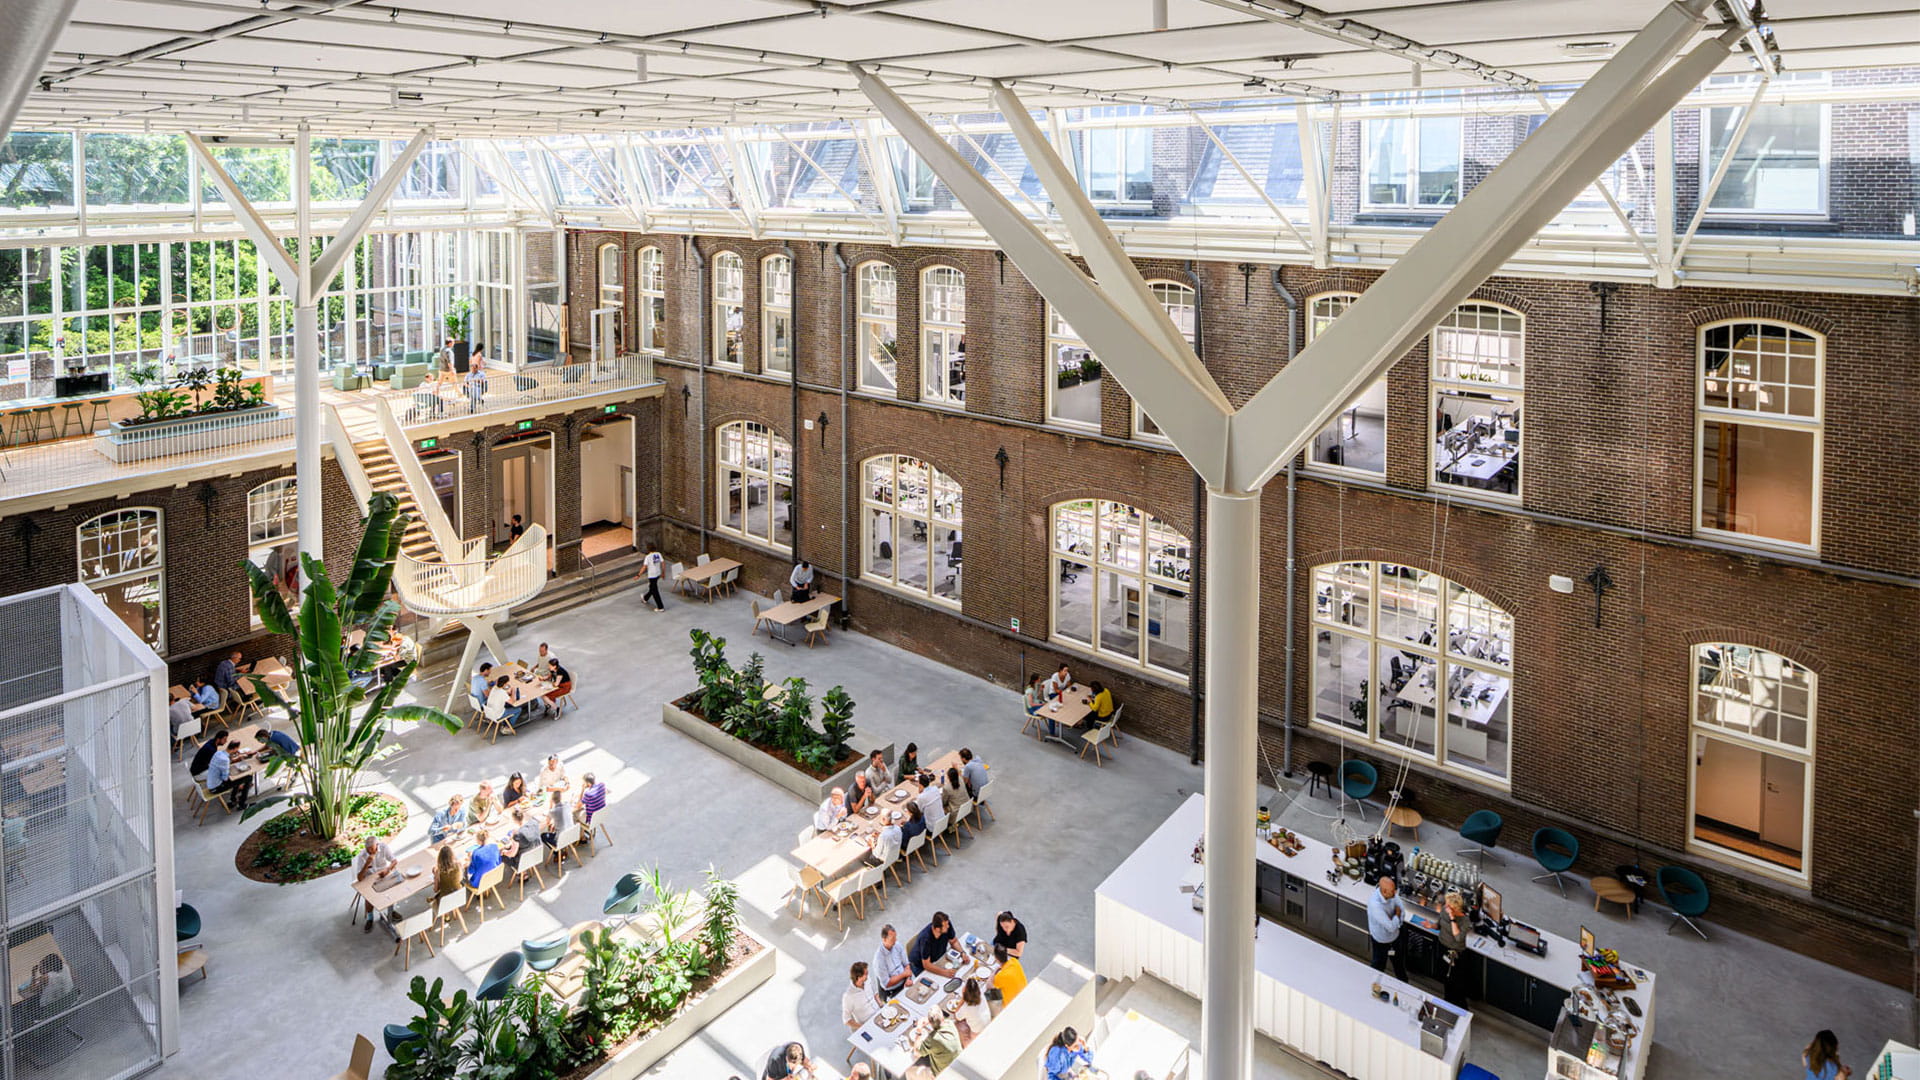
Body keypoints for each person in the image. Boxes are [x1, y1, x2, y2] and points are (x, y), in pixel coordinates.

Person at [1368, 875, 1408, 982]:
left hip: (1395, 938)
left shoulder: (1392, 894)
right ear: (1384, 892)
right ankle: (1374, 985)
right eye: (1392, 891)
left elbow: (1402, 910)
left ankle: (1404, 985)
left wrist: (1396, 920)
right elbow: (1391, 927)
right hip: (1381, 941)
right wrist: (1396, 915)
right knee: (1378, 966)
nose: (1395, 893)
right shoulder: (1375, 905)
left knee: (1399, 966)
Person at [352, 836, 396, 931]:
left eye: (372, 849)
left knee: (393, 886)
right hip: (369, 879)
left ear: (377, 845)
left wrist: (387, 870)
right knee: (369, 895)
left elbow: (394, 861)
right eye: (368, 850)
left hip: (384, 874)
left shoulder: (384, 847)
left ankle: (391, 911)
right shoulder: (362, 856)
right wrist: (366, 864)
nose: (370, 852)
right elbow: (359, 878)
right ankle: (370, 918)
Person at [1437, 890, 1473, 1006]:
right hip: (1443, 948)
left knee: (1458, 983)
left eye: (1448, 906)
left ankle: (1461, 1007)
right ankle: (1447, 1002)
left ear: (1455, 909)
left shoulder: (1465, 921)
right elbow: (1439, 924)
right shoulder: (1445, 910)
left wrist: (1452, 918)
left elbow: (1458, 937)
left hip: (1457, 955)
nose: (1445, 907)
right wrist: (1431, 925)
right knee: (1446, 979)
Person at [205, 731, 254, 810]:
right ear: (235, 749)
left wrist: (234, 758)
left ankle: (233, 800)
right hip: (216, 788)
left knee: (238, 779)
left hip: (210, 783)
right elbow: (225, 778)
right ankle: (242, 804)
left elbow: (224, 763)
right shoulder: (225, 760)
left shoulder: (218, 753)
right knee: (248, 777)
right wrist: (234, 771)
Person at [908, 911, 958, 977]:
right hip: (920, 965)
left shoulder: (946, 925)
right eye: (946, 926)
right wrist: (944, 972)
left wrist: (962, 953)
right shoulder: (925, 939)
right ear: (937, 929)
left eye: (948, 924)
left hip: (936, 957)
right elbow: (926, 965)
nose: (948, 926)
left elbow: (953, 941)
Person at [871, 924, 910, 1001]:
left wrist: (908, 978)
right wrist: (904, 974)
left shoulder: (897, 945)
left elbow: (906, 964)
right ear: (884, 939)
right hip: (893, 990)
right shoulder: (879, 960)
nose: (895, 941)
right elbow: (887, 983)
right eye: (892, 939)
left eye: (895, 937)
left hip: (906, 981)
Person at [841, 961, 880, 1032]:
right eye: (866, 974)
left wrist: (881, 1005)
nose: (868, 975)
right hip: (868, 1024)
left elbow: (875, 993)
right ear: (858, 977)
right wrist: (862, 1027)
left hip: (880, 1014)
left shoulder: (868, 979)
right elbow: (846, 1020)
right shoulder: (848, 996)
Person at [953, 977, 991, 1045]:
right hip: (988, 1024)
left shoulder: (966, 1008)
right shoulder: (981, 995)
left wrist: (962, 999)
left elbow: (956, 1016)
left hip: (977, 1032)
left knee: (957, 1026)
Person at [990, 943, 1025, 1008]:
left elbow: (989, 986)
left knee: (988, 994)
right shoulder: (1014, 961)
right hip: (1024, 993)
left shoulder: (1000, 976)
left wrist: (993, 972)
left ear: (996, 959)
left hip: (1011, 1004)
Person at [540, 790, 571, 854]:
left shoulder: (553, 811)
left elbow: (547, 822)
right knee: (553, 827)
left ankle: (557, 853)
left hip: (561, 838)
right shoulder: (567, 805)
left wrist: (550, 805)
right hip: (571, 834)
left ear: (552, 800)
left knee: (543, 835)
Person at [639, 545, 667, 611]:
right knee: (652, 588)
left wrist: (639, 574)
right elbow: (663, 563)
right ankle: (645, 598)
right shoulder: (658, 554)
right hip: (657, 573)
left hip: (652, 575)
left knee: (655, 591)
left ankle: (660, 607)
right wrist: (663, 573)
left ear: (648, 550)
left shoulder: (648, 557)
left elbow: (644, 567)